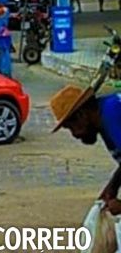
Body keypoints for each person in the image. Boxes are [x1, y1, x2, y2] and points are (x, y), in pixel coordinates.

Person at [51, 85, 121, 215]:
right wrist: (113, 186)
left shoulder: (112, 116)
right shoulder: (107, 114)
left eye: (71, 127)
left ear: (82, 115)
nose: (75, 135)